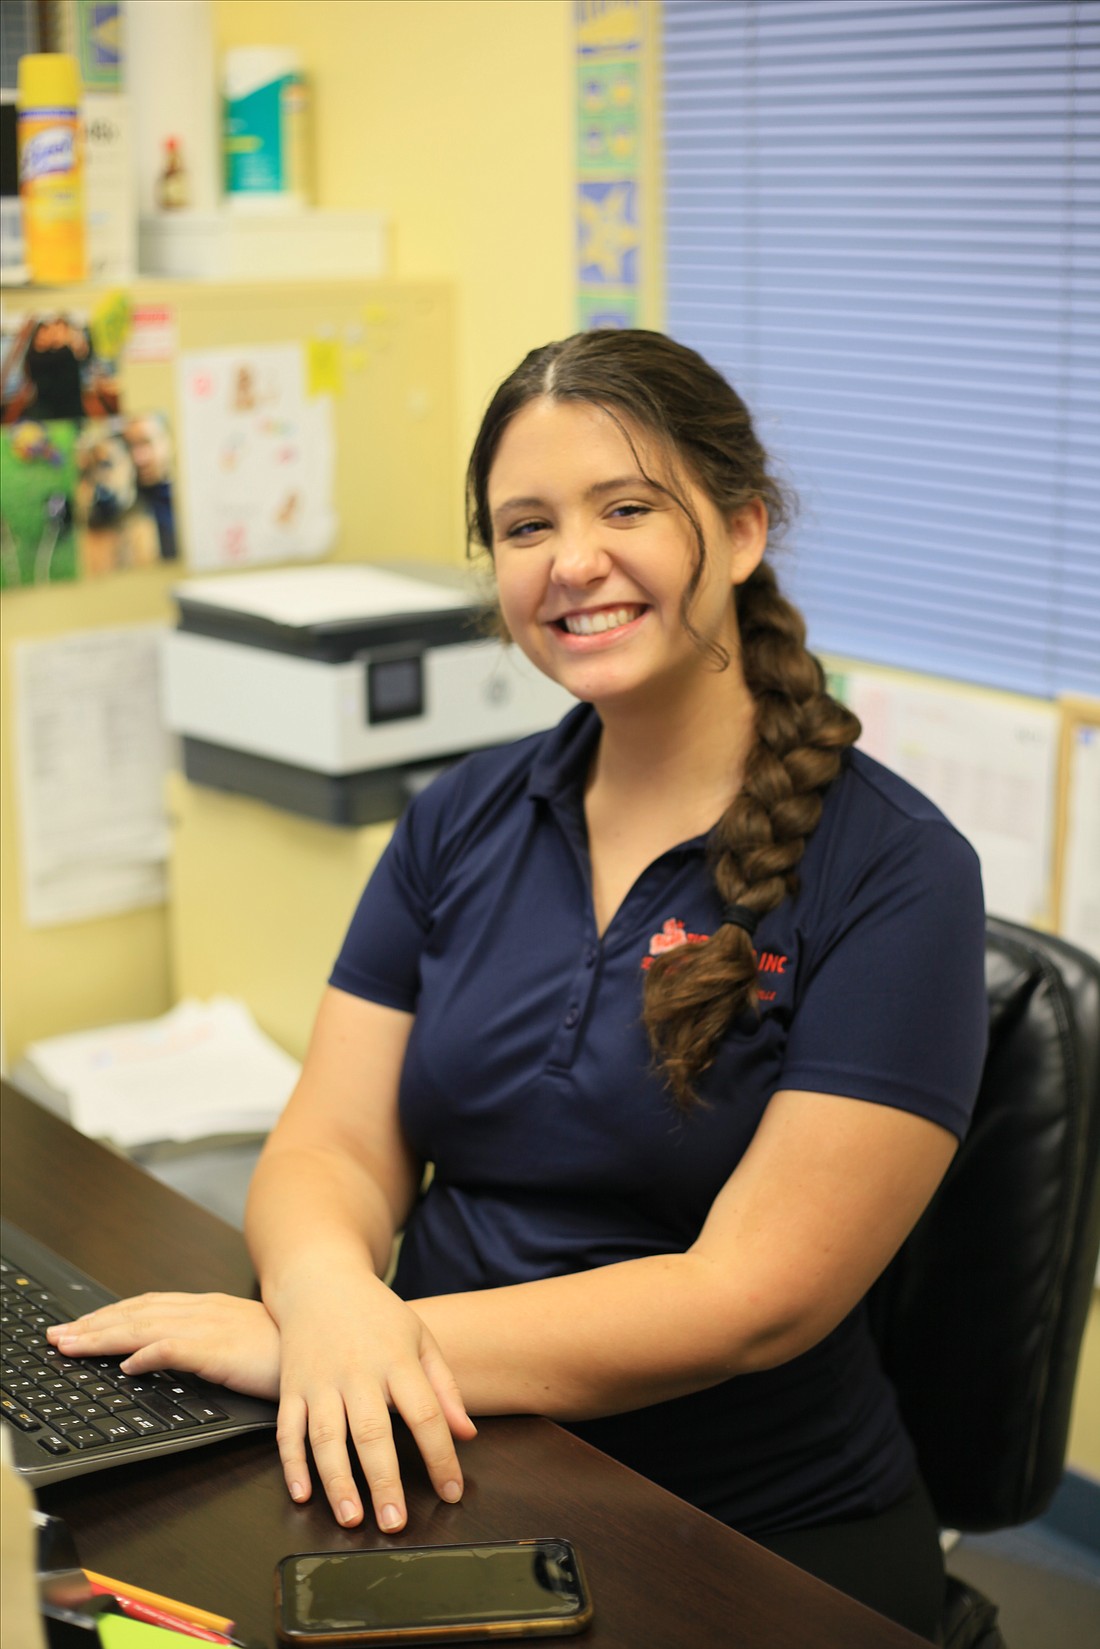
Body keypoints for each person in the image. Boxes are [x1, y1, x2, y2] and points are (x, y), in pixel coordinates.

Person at [48, 330, 987, 1640]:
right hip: (442, 1449)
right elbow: (332, 1141)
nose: (573, 561)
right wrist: (326, 1296)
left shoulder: (898, 873)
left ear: (743, 528)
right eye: (526, 525)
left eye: (627, 508)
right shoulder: (460, 818)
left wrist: (334, 1343)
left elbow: (750, 1296)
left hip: (743, 1531)